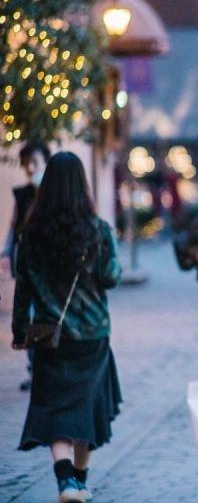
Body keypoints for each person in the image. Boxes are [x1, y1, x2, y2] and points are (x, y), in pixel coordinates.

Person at [11, 151, 122, 503]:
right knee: (86, 409)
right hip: (92, 336)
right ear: (82, 186)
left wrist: (19, 331)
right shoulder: (98, 230)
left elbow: (23, 287)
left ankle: (65, 484)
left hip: (49, 337)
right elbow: (111, 277)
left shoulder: (31, 233)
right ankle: (81, 481)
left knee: (56, 410)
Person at [2, 141, 52, 392]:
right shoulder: (23, 194)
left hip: (47, 266)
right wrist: (6, 251)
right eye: (26, 164)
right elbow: (13, 226)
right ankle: (35, 371)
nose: (30, 168)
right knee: (29, 316)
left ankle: (45, 370)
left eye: (35, 162)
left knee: (44, 316)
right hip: (26, 263)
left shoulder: (54, 194)